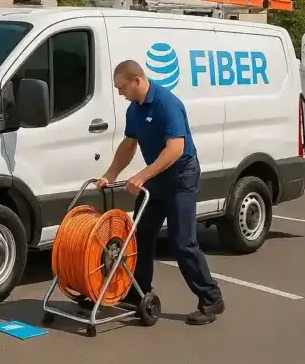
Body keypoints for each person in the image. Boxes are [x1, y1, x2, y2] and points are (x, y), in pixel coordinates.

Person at [96, 59, 225, 326]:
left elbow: (175, 148)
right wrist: (111, 174)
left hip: (181, 175)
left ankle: (211, 298)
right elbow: (129, 145)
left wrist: (141, 175)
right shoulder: (134, 110)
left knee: (182, 242)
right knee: (140, 235)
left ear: (137, 81)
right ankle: (139, 292)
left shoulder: (167, 103)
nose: (120, 94)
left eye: (122, 88)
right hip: (157, 175)